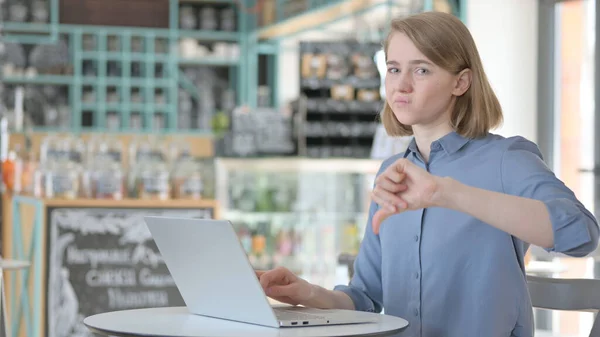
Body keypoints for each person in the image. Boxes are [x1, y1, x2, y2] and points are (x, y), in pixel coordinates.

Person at [257, 11, 600, 337]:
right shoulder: (391, 172)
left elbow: (580, 234)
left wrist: (445, 192)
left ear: (461, 82)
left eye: (421, 70)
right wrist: (307, 293)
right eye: (393, 69)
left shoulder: (506, 158)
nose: (402, 85)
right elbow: (365, 297)